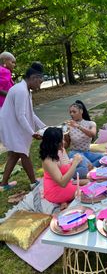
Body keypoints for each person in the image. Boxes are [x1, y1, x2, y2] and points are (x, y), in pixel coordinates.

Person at [0, 62, 46, 190]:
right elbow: (21, 116)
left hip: (14, 124)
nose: (39, 86)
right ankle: (33, 182)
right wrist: (32, 132)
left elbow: (30, 113)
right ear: (33, 78)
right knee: (23, 152)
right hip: (10, 125)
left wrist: (44, 127)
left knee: (14, 154)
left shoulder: (26, 89)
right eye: (40, 82)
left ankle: (3, 184)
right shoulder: (20, 90)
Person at [40, 127, 84, 204]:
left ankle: (64, 203)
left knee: (89, 182)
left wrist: (73, 161)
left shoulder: (61, 150)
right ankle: (63, 202)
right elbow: (62, 183)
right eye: (61, 140)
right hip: (55, 190)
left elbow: (66, 165)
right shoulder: (48, 160)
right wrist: (75, 163)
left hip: (67, 182)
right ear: (55, 143)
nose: (63, 142)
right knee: (86, 192)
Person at [64, 102, 103, 168]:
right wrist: (63, 135)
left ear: (81, 111)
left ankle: (90, 167)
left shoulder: (91, 123)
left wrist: (78, 126)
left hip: (87, 153)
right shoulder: (68, 126)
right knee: (86, 166)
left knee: (104, 158)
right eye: (70, 112)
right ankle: (88, 168)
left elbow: (92, 134)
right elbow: (66, 145)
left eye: (74, 112)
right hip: (74, 153)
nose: (71, 114)